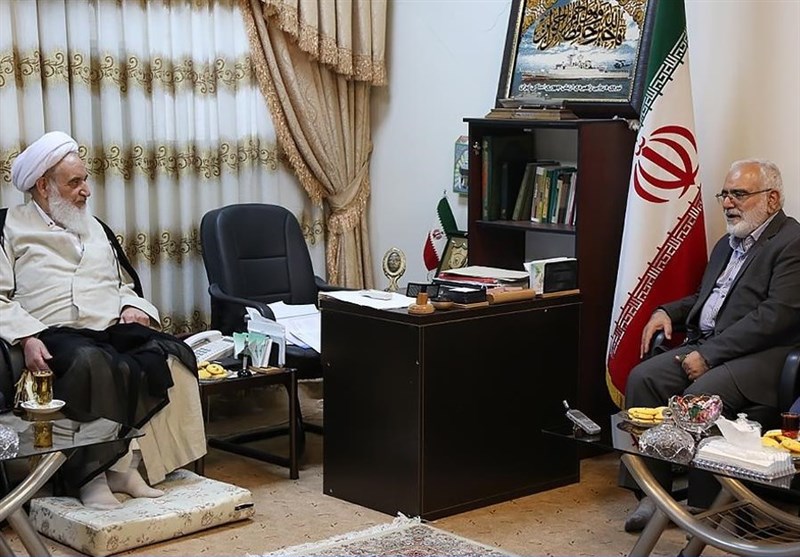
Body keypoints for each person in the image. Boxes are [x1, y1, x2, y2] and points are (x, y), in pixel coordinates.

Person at [0, 131, 207, 509]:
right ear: (43, 187)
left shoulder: (94, 227)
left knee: (167, 355)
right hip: (52, 332)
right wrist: (27, 337)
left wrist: (132, 307)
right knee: (92, 362)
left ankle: (124, 468)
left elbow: (122, 284)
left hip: (108, 326)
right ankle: (90, 476)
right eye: (74, 182)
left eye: (85, 179)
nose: (86, 190)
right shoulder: (11, 227)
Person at [621, 159, 800, 532]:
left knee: (700, 398)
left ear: (772, 199)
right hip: (710, 345)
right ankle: (652, 497)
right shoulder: (726, 243)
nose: (728, 203)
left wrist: (709, 354)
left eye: (740, 194)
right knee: (643, 379)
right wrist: (667, 311)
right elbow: (707, 299)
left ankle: (704, 510)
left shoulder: (792, 242)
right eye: (725, 194)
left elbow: (775, 316)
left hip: (762, 357)